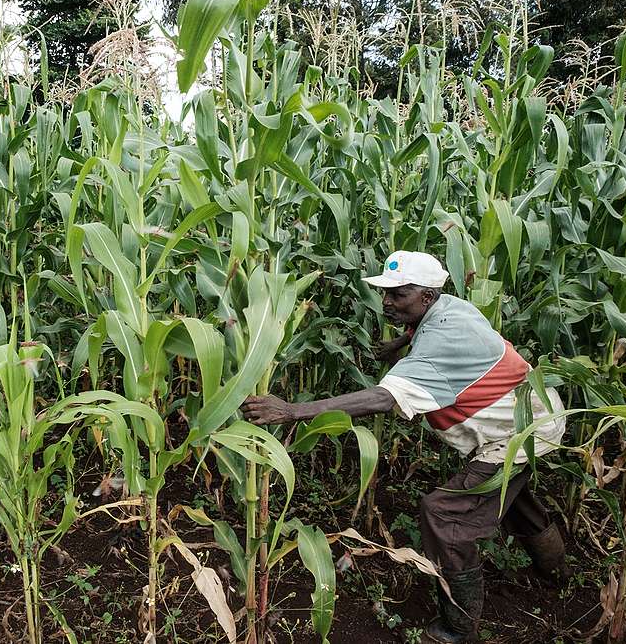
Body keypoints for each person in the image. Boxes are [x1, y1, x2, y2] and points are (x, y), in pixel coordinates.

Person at [241, 251, 569, 644]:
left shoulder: (440, 340)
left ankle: (457, 629)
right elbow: (429, 330)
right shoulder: (450, 307)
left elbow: (382, 399)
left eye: (399, 295)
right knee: (514, 501)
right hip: (534, 412)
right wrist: (398, 343)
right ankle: (558, 576)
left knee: (445, 515)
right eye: (386, 293)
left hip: (519, 433)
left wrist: (292, 411)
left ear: (426, 296)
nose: (387, 303)